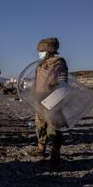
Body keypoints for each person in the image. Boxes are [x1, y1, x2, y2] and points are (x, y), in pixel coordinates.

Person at [29, 38, 68, 167]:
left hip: (52, 101)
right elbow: (36, 82)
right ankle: (41, 149)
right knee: (40, 126)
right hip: (40, 100)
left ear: (49, 50)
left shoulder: (58, 63)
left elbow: (62, 85)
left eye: (42, 51)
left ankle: (55, 154)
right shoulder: (40, 64)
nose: (40, 53)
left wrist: (54, 101)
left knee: (53, 128)